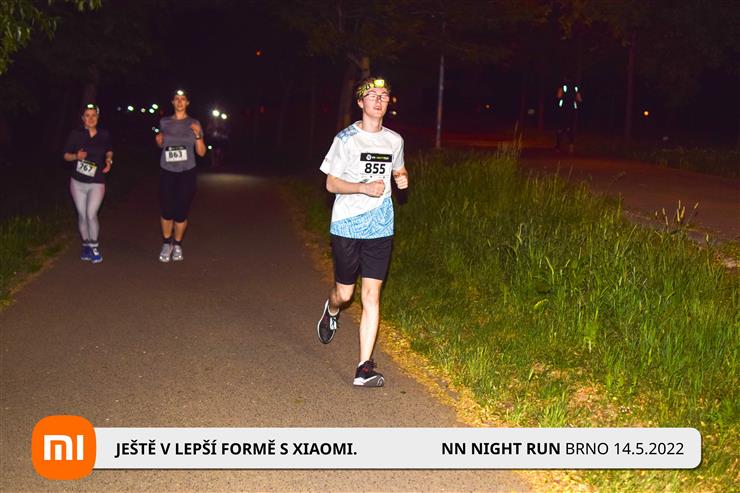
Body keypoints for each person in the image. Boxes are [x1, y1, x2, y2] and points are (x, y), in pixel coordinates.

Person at [316, 77, 409, 387]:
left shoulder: (394, 140)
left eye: (383, 95)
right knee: (345, 294)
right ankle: (331, 310)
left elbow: (398, 169)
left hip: (381, 225)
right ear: (360, 102)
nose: (379, 100)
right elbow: (331, 183)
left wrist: (402, 178)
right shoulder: (346, 139)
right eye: (372, 95)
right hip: (347, 224)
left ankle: (363, 368)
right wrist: (363, 188)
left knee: (371, 295)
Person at [155, 89, 206, 262]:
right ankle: (166, 243)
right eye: (176, 99)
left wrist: (198, 135)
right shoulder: (164, 122)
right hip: (167, 170)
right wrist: (159, 142)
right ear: (172, 102)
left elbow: (201, 152)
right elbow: (162, 145)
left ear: (187, 103)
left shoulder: (194, 123)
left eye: (183, 99)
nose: (179, 101)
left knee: (181, 212)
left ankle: (177, 244)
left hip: (187, 172)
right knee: (167, 210)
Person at [62, 103, 113, 263]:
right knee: (82, 214)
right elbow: (65, 155)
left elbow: (109, 149)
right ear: (83, 118)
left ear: (98, 117)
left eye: (94, 115)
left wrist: (109, 160)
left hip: (97, 181)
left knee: (91, 214)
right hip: (77, 182)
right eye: (87, 115)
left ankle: (94, 246)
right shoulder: (75, 134)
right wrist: (76, 156)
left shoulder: (104, 134)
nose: (91, 119)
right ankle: (86, 244)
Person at [555, 77, 583, 153]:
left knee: (560, 128)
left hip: (563, 110)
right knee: (570, 128)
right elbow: (579, 99)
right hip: (572, 110)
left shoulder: (562, 86)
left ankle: (558, 147)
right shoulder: (575, 87)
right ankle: (571, 146)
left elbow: (558, 96)